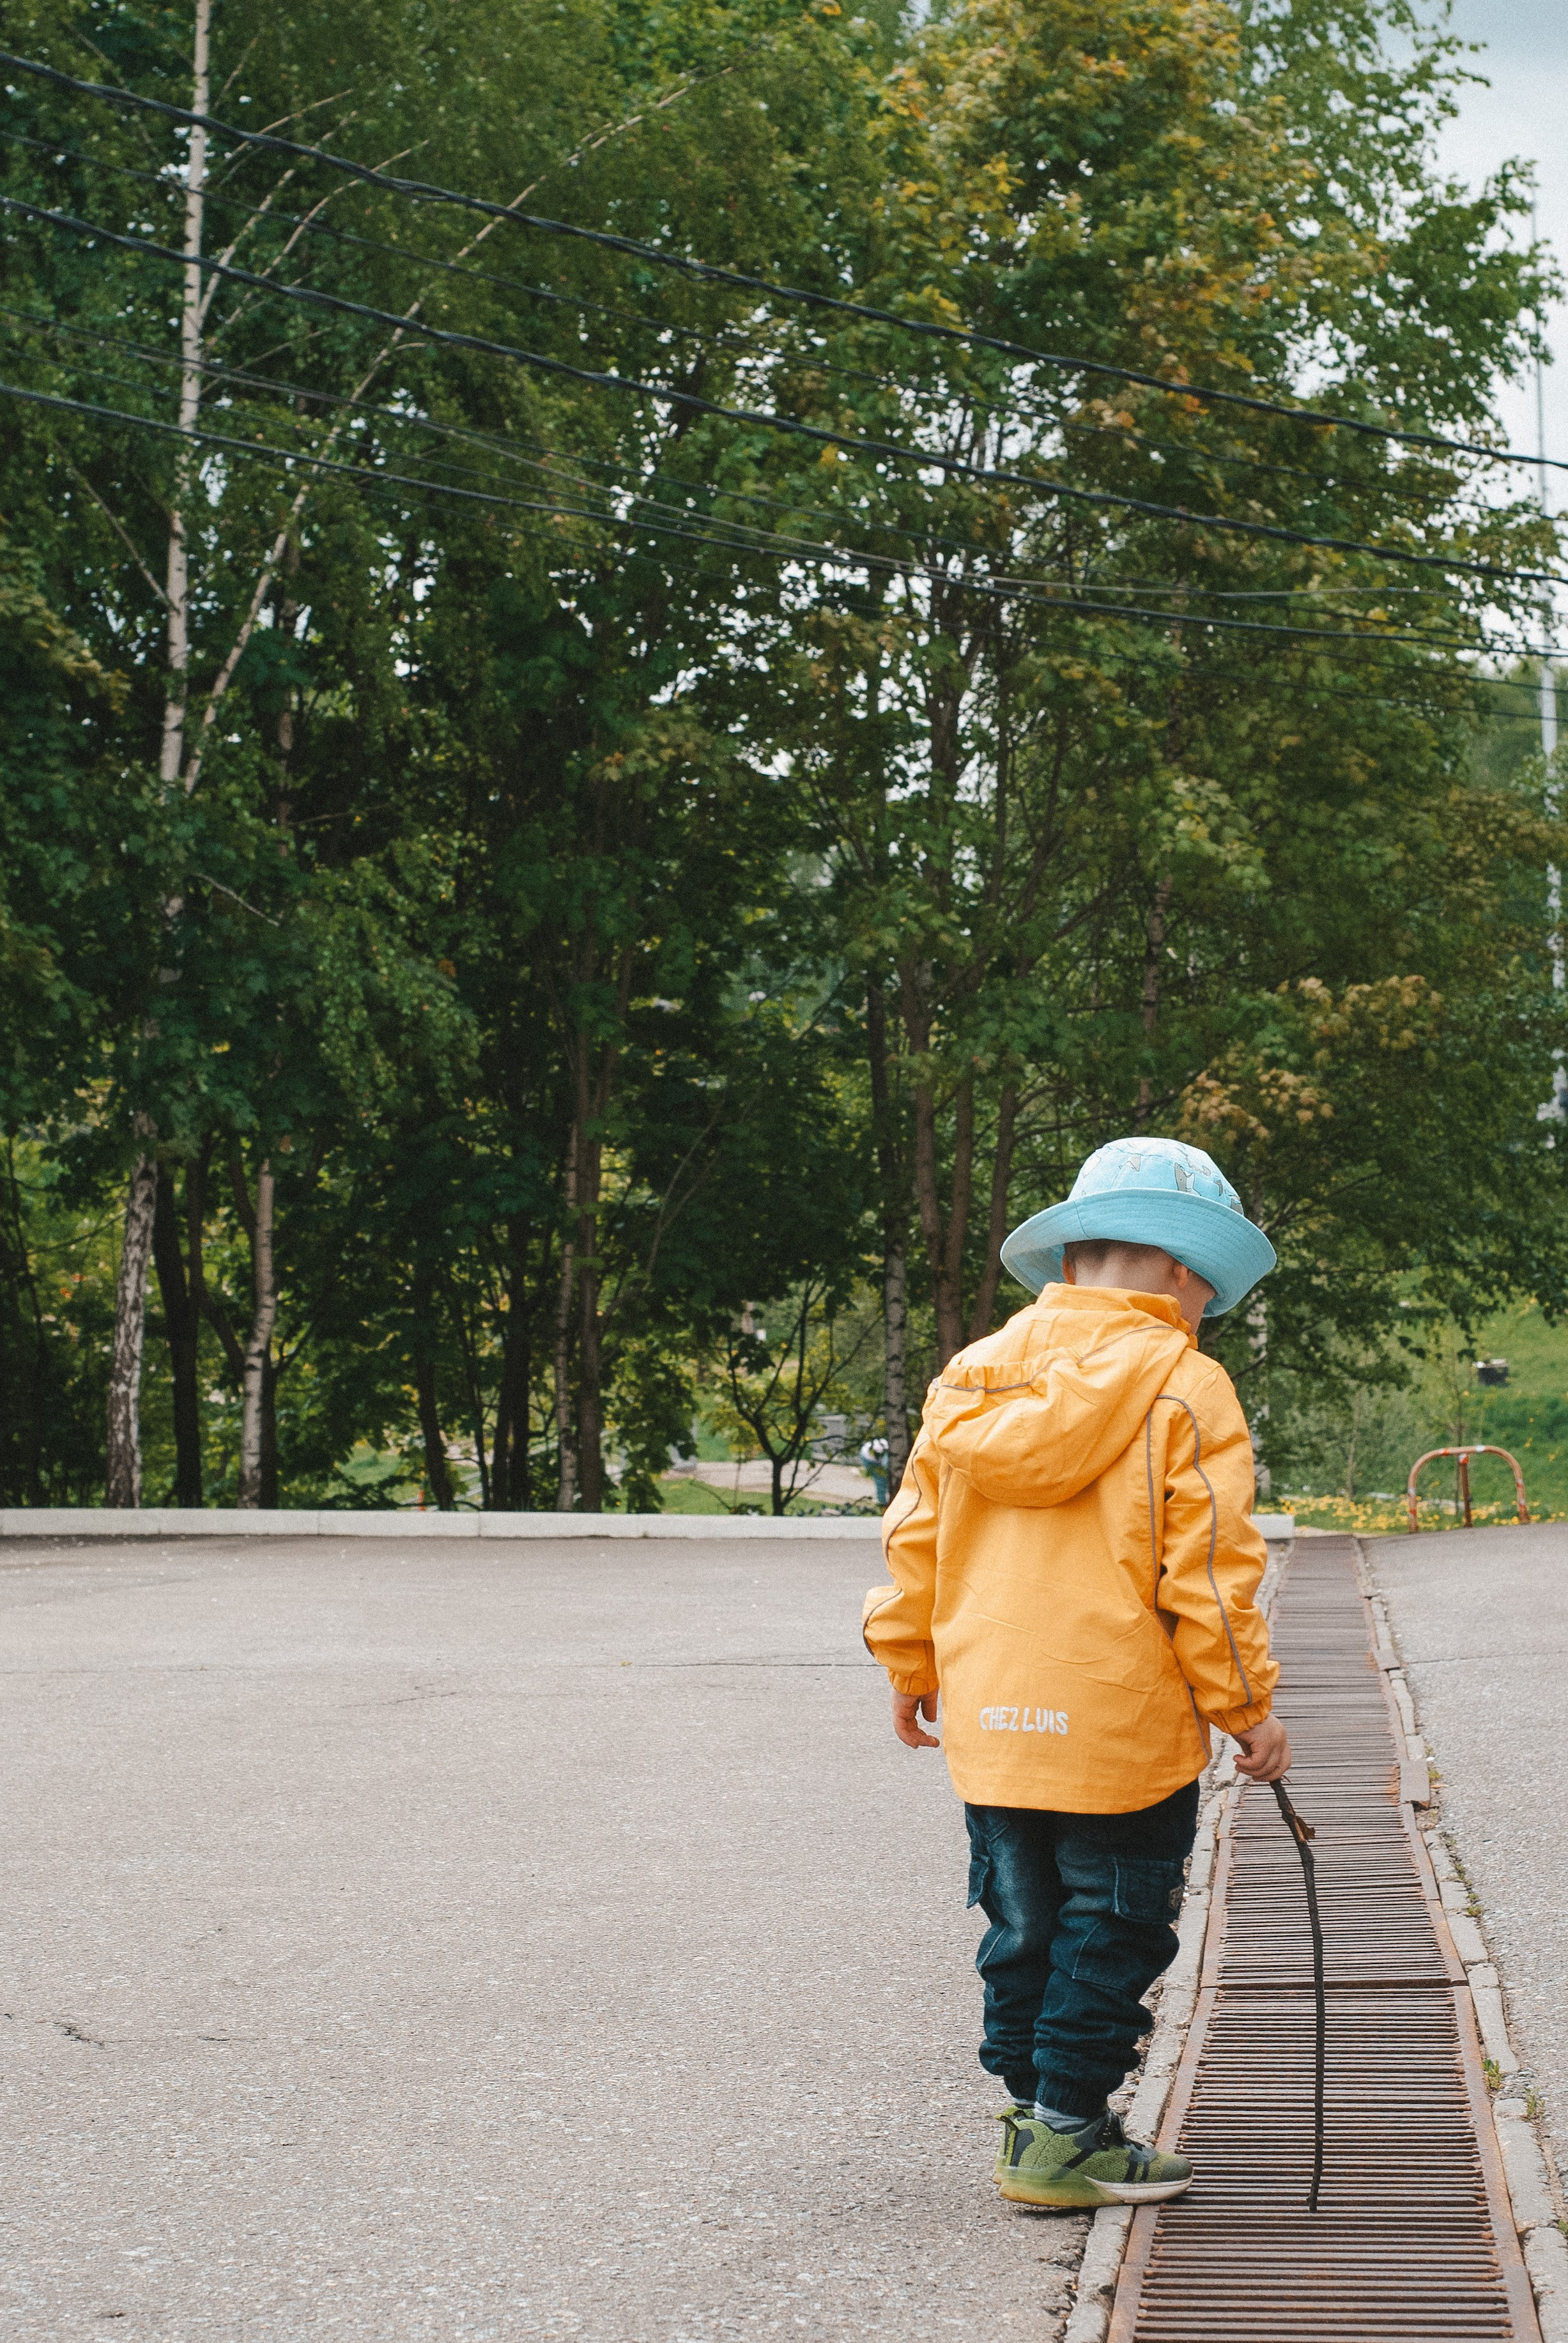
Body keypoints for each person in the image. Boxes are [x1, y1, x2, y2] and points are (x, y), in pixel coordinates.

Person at [863, 1135, 1291, 2209]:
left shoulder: (970, 1376)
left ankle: (1038, 2117)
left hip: (994, 1717)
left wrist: (909, 1659)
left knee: (1023, 1926)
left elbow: (914, 1532)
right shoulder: (1186, 1386)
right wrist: (1244, 1709)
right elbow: (1207, 1573)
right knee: (1113, 1924)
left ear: (1075, 1255)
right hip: (1120, 1730)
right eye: (1209, 1290)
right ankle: (1064, 2137)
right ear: (1184, 1271)